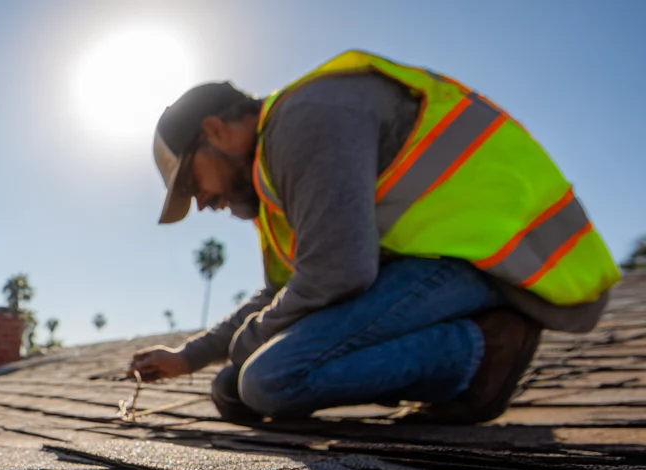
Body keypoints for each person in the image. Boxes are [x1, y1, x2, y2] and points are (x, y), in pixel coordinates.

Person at [128, 51, 621, 423]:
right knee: (241, 382)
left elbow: (337, 273)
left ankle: (479, 349)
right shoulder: (275, 181)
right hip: (438, 264)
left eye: (191, 184)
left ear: (215, 131)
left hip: (487, 258)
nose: (201, 203)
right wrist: (189, 357)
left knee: (268, 379)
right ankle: (463, 344)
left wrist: (246, 349)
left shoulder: (305, 119)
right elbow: (282, 292)